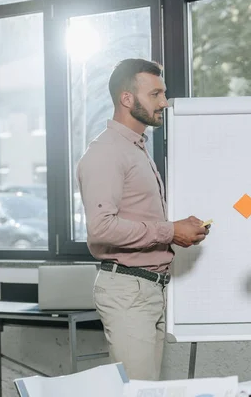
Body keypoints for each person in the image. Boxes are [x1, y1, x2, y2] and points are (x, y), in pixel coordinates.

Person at [77, 58, 209, 380]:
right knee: (138, 392)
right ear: (127, 98)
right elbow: (101, 227)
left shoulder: (136, 148)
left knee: (148, 390)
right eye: (155, 94)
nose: (164, 102)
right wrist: (170, 231)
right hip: (128, 289)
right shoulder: (107, 152)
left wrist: (177, 229)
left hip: (150, 288)